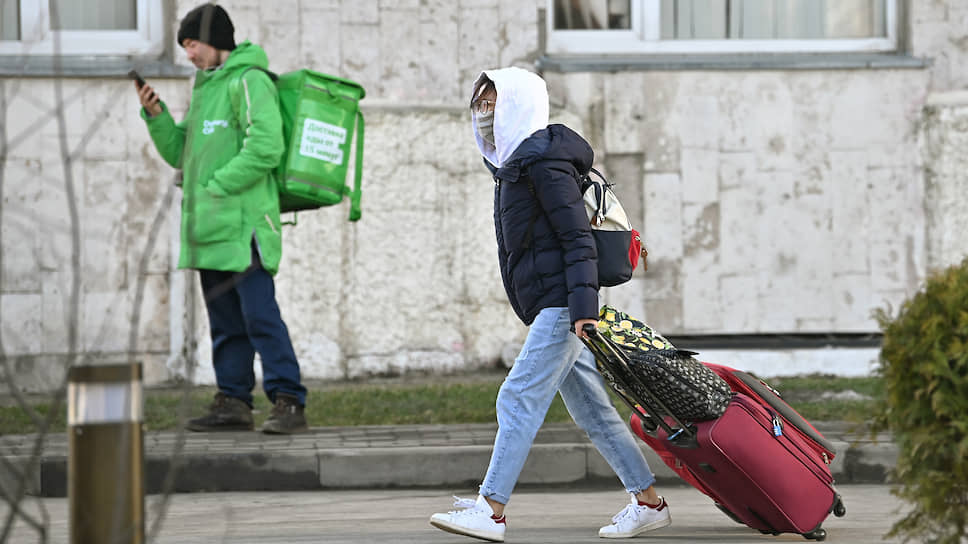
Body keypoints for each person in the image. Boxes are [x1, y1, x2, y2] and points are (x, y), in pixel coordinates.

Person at [428, 67, 672, 542]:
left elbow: (577, 237)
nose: (484, 115)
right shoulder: (517, 166)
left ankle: (491, 510)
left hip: (566, 303)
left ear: (516, 106)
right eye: (479, 105)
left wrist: (583, 307)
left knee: (517, 396)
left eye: (492, 105)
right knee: (592, 412)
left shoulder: (543, 164)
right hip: (555, 302)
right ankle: (648, 503)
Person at [134, 3, 308, 434]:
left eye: (192, 45)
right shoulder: (205, 85)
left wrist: (216, 186)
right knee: (226, 322)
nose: (189, 55)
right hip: (210, 228)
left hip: (243, 226)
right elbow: (182, 154)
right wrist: (156, 117)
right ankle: (233, 401)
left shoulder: (250, 80)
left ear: (214, 42)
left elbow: (266, 147)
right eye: (185, 48)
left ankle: (289, 402)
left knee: (259, 316)